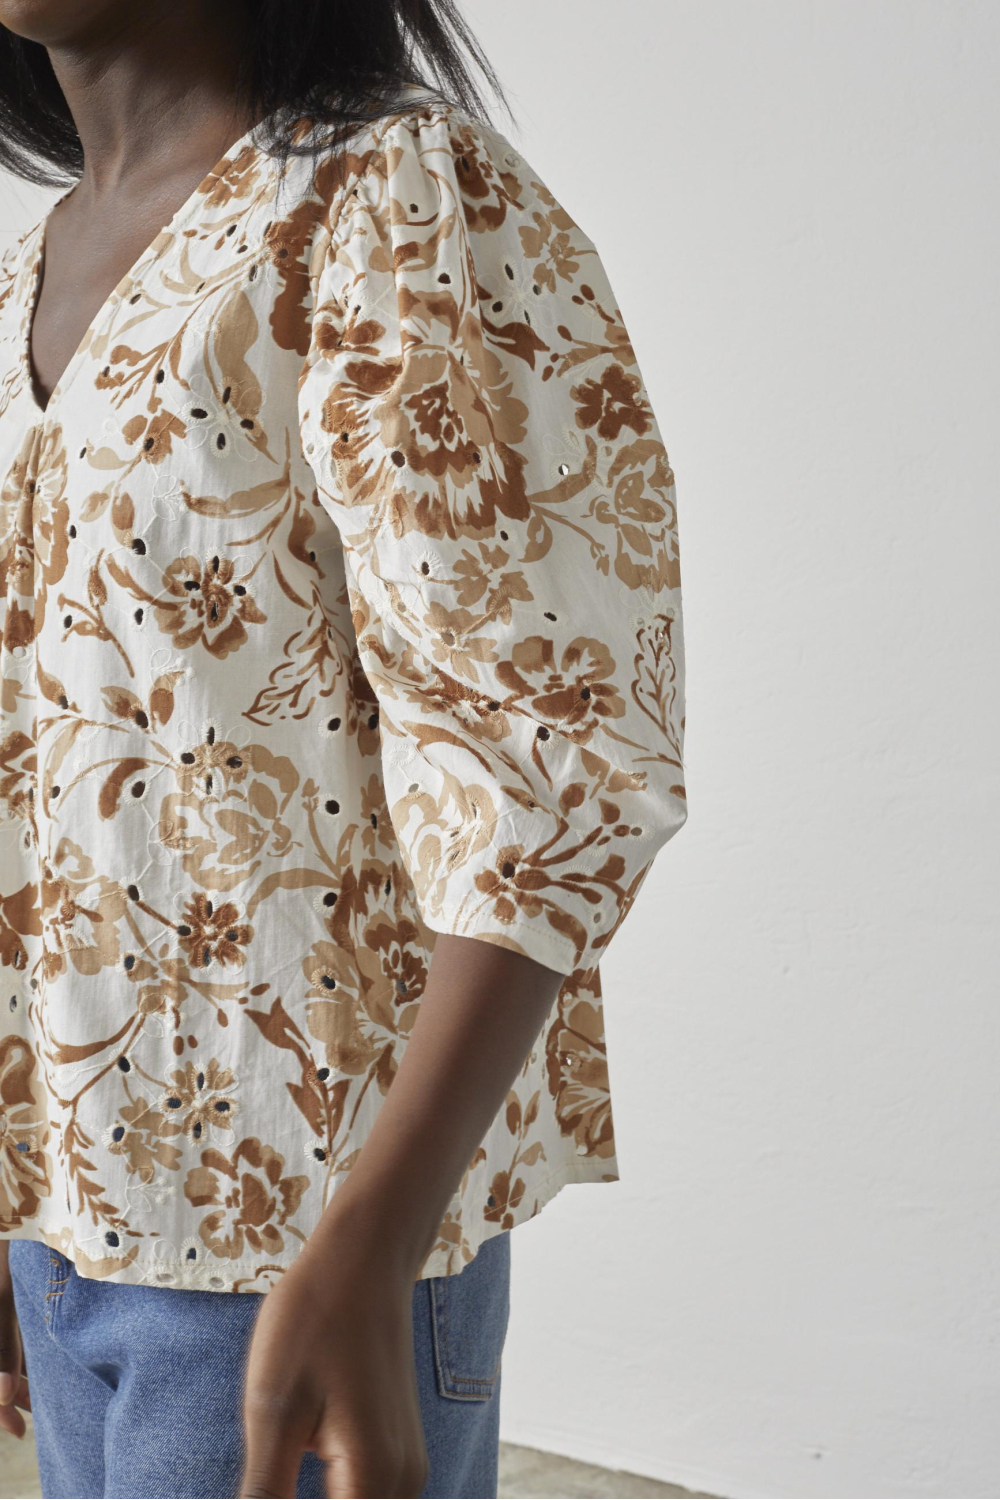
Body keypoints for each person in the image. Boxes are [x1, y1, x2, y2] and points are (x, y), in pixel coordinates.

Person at [0, 1, 688, 1495]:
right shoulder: (30, 265)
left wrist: (375, 1238)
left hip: (301, 1241)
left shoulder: (391, 199)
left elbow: (546, 751)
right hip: (69, 1228)